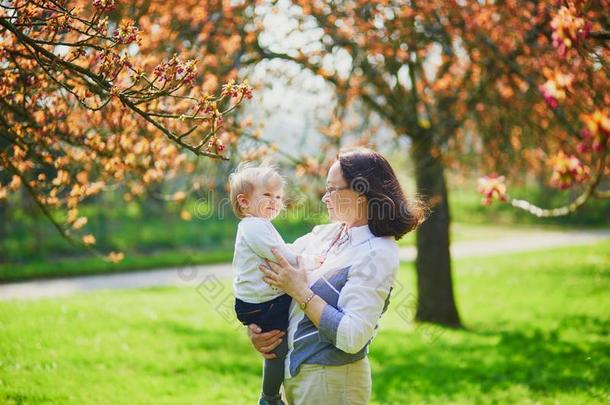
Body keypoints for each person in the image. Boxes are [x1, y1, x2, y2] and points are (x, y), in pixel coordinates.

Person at [250, 148, 426, 404]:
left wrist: (300, 291)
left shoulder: (378, 251)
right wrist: (257, 330)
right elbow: (272, 266)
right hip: (297, 376)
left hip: (333, 382)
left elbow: (352, 336)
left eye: (333, 189)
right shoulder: (325, 235)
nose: (325, 198)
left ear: (361, 192)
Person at [229, 163, 323, 405]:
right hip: (261, 303)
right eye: (267, 195)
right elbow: (283, 256)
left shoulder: (259, 225)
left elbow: (282, 250)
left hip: (260, 300)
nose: (275, 201)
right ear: (244, 202)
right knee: (276, 350)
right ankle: (269, 398)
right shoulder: (254, 227)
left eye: (279, 197)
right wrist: (311, 262)